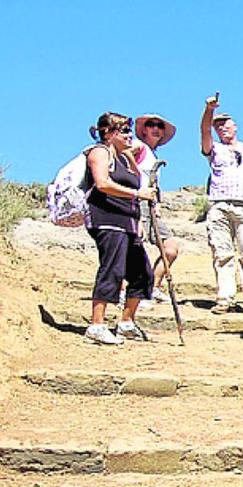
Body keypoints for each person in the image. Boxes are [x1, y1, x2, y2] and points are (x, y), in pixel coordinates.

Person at [82, 113, 157, 345]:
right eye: (124, 131)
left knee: (142, 272)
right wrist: (137, 194)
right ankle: (97, 325)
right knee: (112, 269)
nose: (129, 135)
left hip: (129, 221)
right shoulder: (99, 152)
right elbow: (102, 183)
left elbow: (139, 185)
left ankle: (126, 322)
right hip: (107, 219)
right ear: (109, 133)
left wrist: (140, 220)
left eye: (129, 130)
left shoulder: (125, 157)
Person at [200, 93, 243, 316]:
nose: (222, 128)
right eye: (218, 125)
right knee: (222, 253)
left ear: (235, 126)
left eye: (225, 123)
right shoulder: (214, 149)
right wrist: (209, 110)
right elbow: (205, 132)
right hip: (219, 205)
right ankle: (224, 297)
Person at [133, 114, 180, 307]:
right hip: (137, 201)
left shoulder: (152, 154)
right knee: (137, 245)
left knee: (171, 248)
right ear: (143, 130)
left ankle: (152, 285)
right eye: (151, 125)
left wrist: (157, 203)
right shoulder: (139, 147)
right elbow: (123, 153)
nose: (156, 128)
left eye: (159, 126)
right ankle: (135, 290)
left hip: (151, 204)